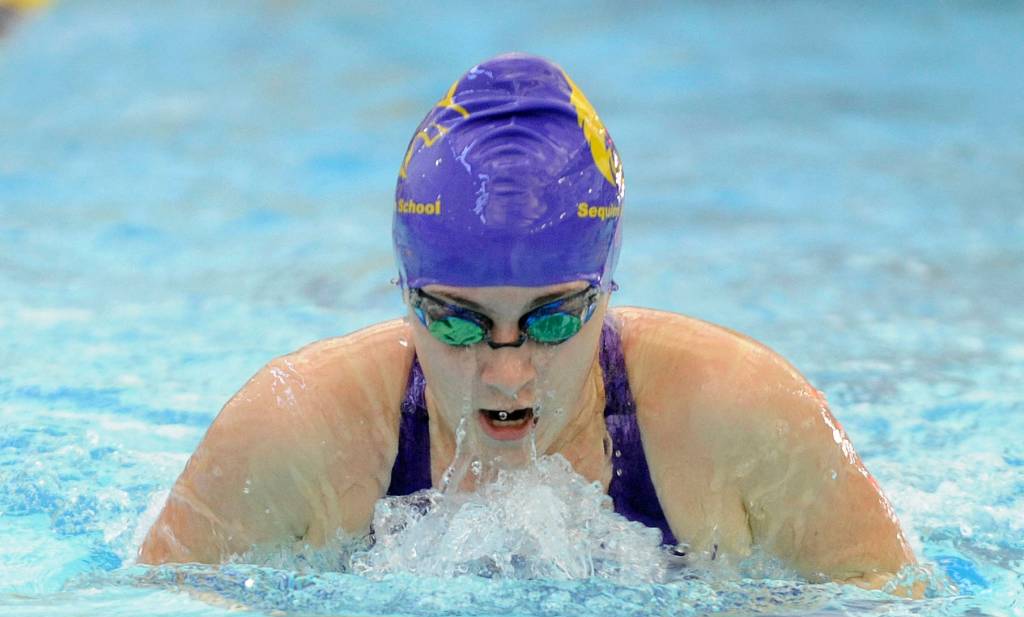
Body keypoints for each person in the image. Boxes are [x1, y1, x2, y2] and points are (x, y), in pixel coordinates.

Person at [139, 53, 916, 588]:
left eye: (550, 322)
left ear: (605, 292)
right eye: (456, 323)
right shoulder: (295, 431)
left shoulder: (738, 413)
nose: (506, 372)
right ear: (406, 295)